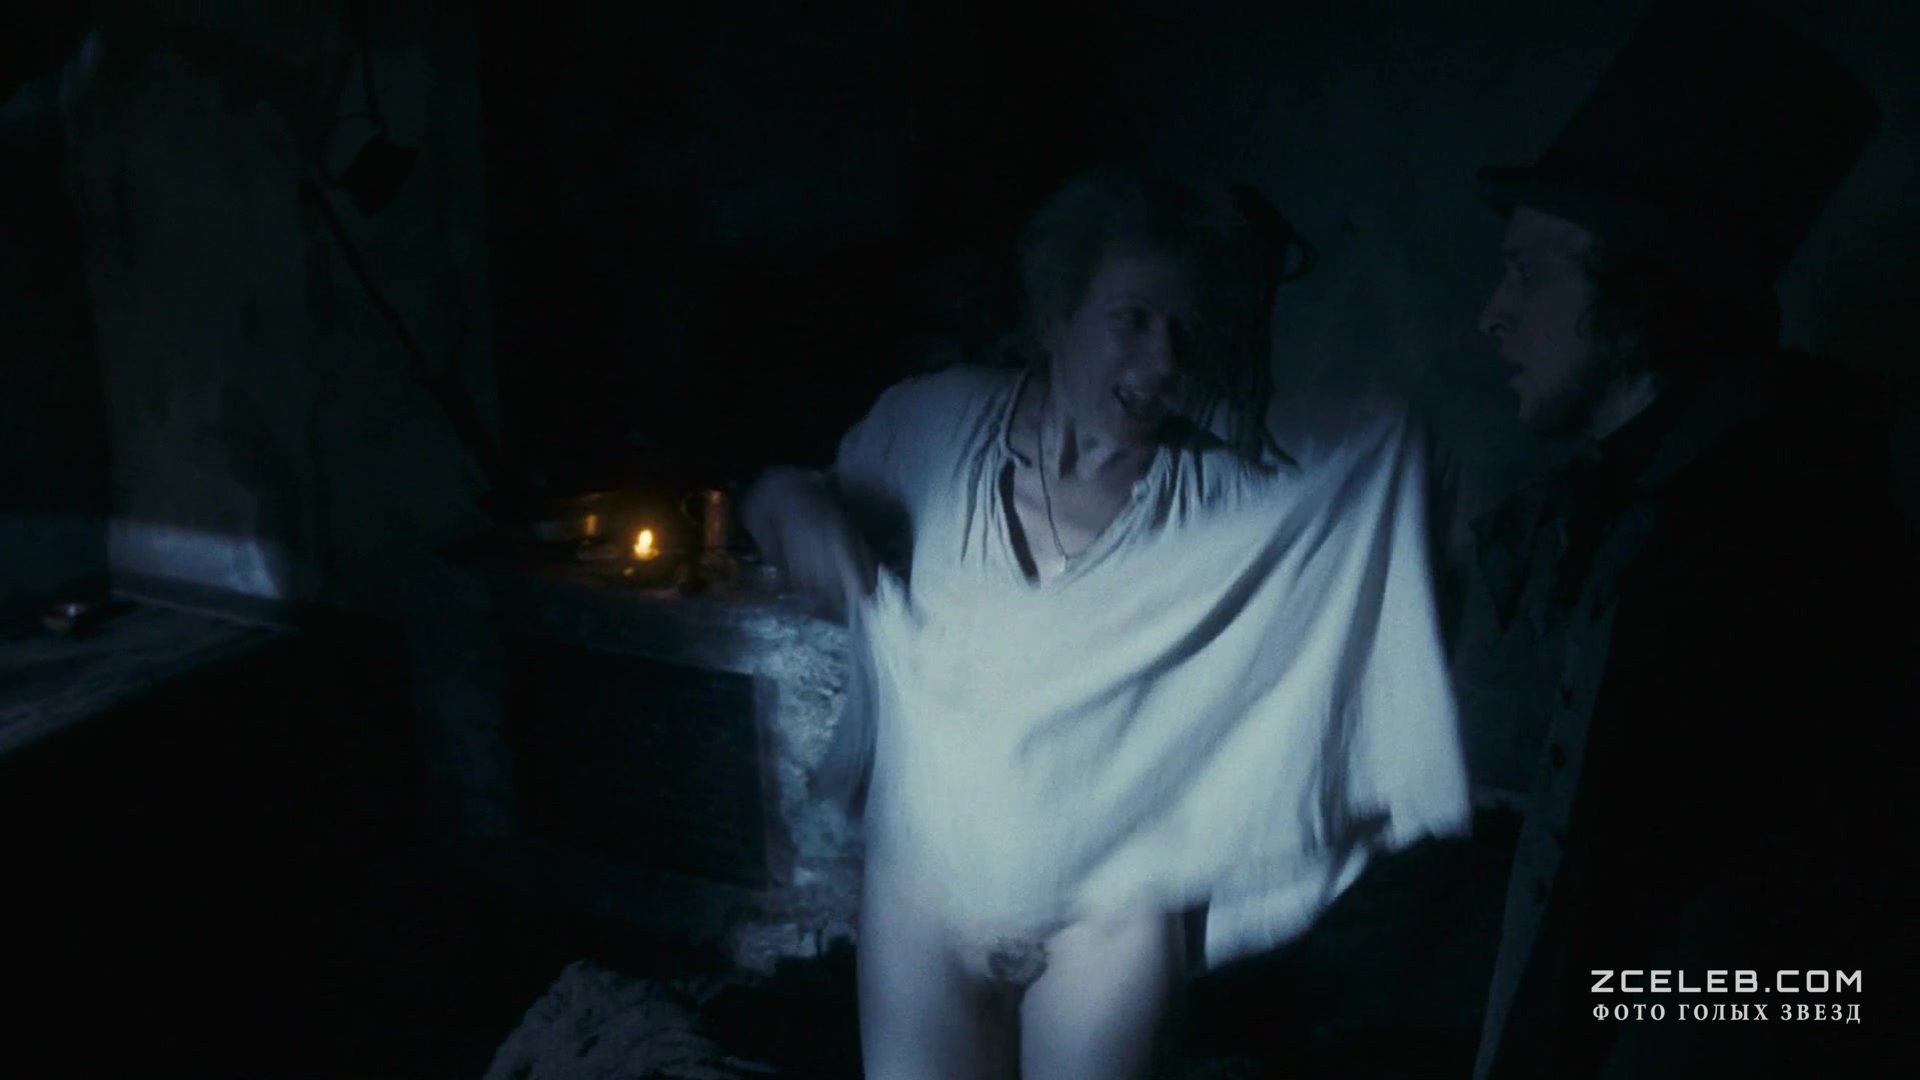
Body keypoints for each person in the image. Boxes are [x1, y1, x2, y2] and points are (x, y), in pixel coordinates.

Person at [743, 165, 1471, 1079]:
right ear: (1058, 316)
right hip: (923, 896)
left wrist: (1404, 530)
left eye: (1184, 332)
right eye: (1133, 320)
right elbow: (785, 495)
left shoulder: (1221, 499)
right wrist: (792, 509)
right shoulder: (934, 428)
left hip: (1109, 922)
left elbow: (1352, 623)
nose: (1162, 361)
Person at [1458, 4, 1912, 1076]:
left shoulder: (1783, 527)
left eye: (1531, 271)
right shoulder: (1636, 501)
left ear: (1638, 286)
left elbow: (1816, 964)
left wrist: (1648, 1021)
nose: (1492, 313)